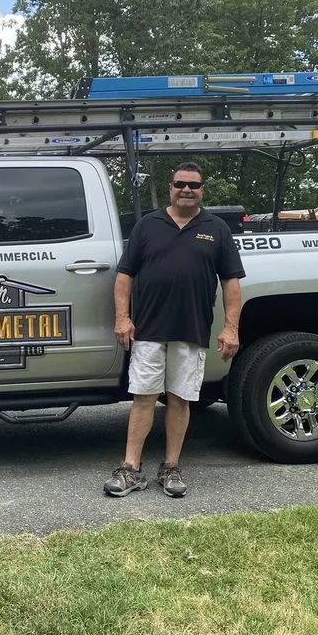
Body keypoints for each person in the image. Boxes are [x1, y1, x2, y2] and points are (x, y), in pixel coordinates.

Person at [103, 162, 245, 498]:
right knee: (143, 398)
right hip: (149, 329)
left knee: (180, 399)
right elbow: (124, 277)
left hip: (191, 330)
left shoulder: (217, 228)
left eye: (193, 186)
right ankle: (130, 469)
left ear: (202, 190)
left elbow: (231, 282)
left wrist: (231, 328)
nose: (186, 190)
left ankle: (171, 467)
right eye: (180, 184)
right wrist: (122, 319)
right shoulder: (147, 225)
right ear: (170, 187)